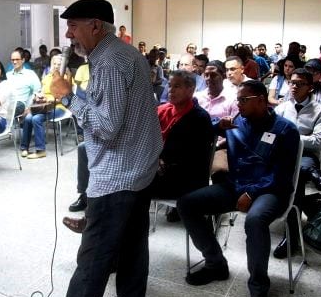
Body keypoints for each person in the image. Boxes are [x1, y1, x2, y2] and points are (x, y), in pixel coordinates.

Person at [38, 0, 162, 297]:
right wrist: (77, 92)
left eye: (74, 25)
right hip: (141, 167)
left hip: (118, 172)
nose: (68, 34)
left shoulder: (107, 62)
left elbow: (106, 126)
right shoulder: (124, 54)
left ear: (96, 26)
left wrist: (66, 96)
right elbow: (113, 108)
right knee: (133, 244)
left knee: (96, 248)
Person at [177, 81, 300, 297]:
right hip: (236, 186)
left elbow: (282, 175)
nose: (238, 104)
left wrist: (253, 193)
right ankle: (215, 263)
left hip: (270, 190)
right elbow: (199, 135)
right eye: (238, 99)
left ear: (262, 100)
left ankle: (258, 291)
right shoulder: (235, 123)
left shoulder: (285, 129)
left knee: (255, 220)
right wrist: (216, 126)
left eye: (244, 99)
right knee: (187, 204)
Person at [64, 70, 214, 227]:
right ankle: (96, 217)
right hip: (155, 167)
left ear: (191, 90)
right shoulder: (164, 110)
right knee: (110, 167)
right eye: (169, 86)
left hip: (181, 178)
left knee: (123, 179)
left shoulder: (199, 118)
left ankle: (98, 222)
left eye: (177, 86)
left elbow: (193, 158)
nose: (171, 90)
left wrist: (157, 159)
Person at [273, 68, 321, 258]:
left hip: (306, 154)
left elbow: (317, 142)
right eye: (292, 82)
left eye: (300, 84)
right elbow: (271, 135)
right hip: (283, 154)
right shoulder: (281, 108)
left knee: (295, 178)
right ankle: (311, 197)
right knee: (290, 175)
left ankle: (291, 236)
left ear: (310, 88)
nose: (294, 87)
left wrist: (289, 137)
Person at [20, 55, 69, 159]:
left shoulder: (65, 78)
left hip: (60, 107)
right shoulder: (47, 77)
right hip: (45, 106)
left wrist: (50, 99)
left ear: (63, 66)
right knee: (28, 118)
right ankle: (24, 148)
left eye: (59, 64)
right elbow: (41, 92)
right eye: (54, 64)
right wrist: (39, 96)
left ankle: (40, 150)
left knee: (36, 118)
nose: (56, 66)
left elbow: (65, 98)